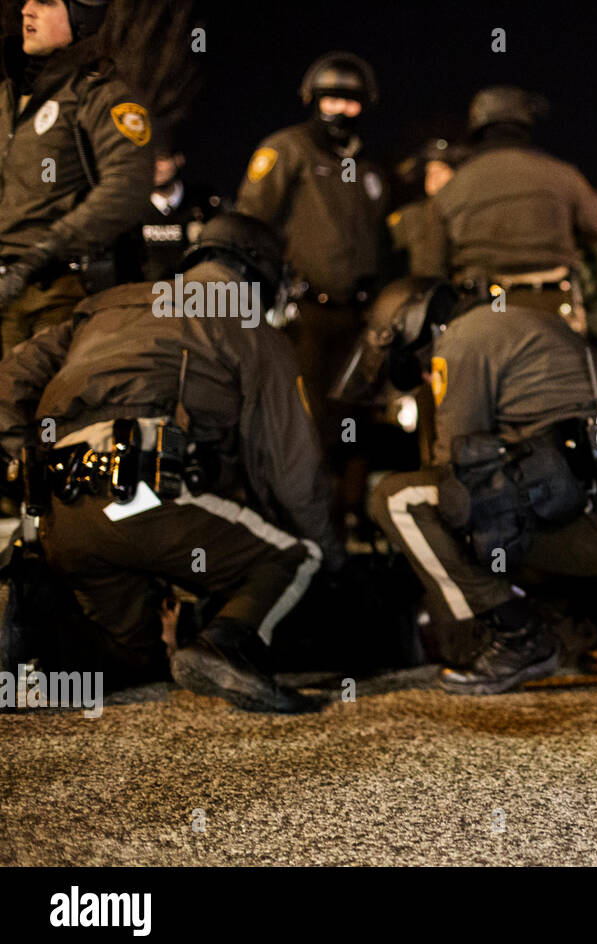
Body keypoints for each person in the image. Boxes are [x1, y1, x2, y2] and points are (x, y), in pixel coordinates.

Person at [0, 213, 343, 712]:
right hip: (150, 500)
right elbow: (292, 470)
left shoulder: (105, 305)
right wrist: (330, 557)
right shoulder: (249, 325)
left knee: (134, 659)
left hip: (62, 517)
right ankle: (222, 646)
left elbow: (9, 379)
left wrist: (21, 459)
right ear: (259, 273)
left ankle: (24, 623)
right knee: (291, 560)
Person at [364, 279, 597, 694]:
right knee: (489, 507)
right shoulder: (520, 321)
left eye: (421, 362)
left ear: (414, 324)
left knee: (399, 500)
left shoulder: (460, 340)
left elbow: (454, 469)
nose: (427, 371)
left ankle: (518, 638)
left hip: (585, 529)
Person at [235, 50, 388, 525]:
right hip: (304, 312)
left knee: (357, 419)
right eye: (331, 100)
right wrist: (263, 292)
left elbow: (385, 240)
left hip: (360, 316)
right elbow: (249, 223)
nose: (341, 110)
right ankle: (302, 523)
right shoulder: (287, 150)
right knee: (307, 420)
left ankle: (350, 518)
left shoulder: (370, 168)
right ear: (311, 100)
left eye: (351, 102)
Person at [0, 0, 153, 355]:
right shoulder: (10, 97)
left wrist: (46, 251)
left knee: (42, 405)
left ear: (80, 17)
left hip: (62, 294)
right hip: (7, 294)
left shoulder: (102, 94)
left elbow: (126, 188)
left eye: (45, 1)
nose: (27, 10)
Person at [420, 85, 597, 330]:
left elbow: (428, 271)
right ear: (525, 123)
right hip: (554, 320)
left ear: (477, 126)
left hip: (479, 319)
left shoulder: (451, 189)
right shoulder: (563, 176)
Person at [136, 129, 223, 282]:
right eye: (148, 159)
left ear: (179, 160)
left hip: (193, 295)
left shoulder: (204, 203)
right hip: (143, 297)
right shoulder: (131, 207)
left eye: (161, 159)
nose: (155, 167)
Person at [388, 138, 467, 279]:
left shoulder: (466, 211)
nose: (434, 177)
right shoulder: (410, 214)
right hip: (422, 291)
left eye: (441, 170)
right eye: (429, 172)